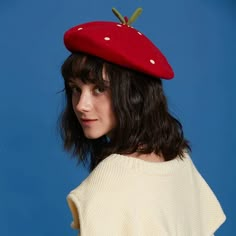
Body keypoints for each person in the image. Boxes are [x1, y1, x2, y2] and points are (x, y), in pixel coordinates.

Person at [59, 8, 226, 236]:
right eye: (76, 89)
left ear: (134, 95)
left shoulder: (107, 183)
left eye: (99, 89)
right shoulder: (178, 160)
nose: (80, 105)